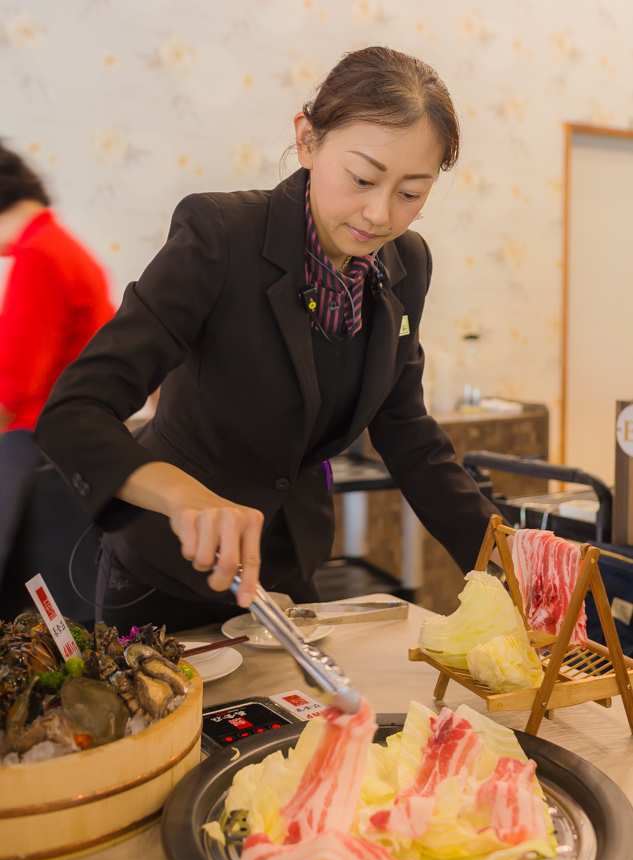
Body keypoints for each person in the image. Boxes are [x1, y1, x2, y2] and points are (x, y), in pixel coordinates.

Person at [34, 46, 500, 632]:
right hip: (163, 575)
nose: (380, 214)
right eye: (362, 178)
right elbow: (75, 410)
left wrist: (506, 568)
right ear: (307, 139)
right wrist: (183, 497)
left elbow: (408, 436)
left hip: (284, 570)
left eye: (411, 192)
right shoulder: (220, 238)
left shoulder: (407, 264)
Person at [0, 142, 114, 617]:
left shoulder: (40, 254)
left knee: (50, 613)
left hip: (39, 454)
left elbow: (14, 385)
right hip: (66, 453)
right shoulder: (60, 246)